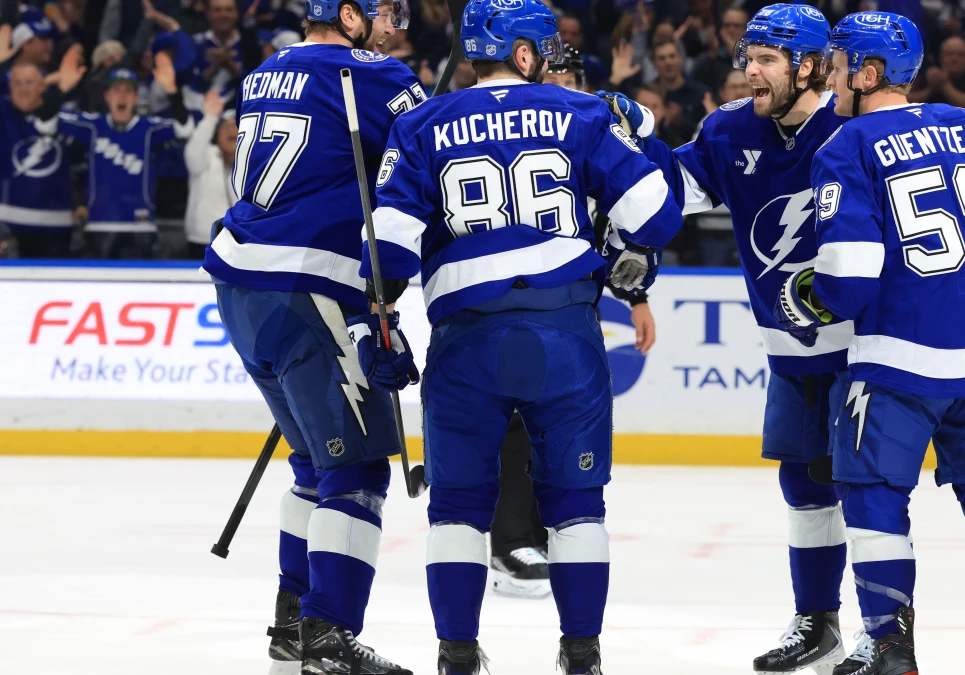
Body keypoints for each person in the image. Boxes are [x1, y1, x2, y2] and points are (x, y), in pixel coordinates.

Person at [361, 0, 682, 671]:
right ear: (529, 54)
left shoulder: (420, 123)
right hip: (564, 337)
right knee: (576, 508)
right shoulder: (584, 114)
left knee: (455, 512)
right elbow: (655, 219)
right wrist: (634, 140)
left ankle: (456, 654)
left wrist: (382, 322)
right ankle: (581, 653)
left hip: (464, 342)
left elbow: (388, 254)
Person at [778, 12, 965, 674]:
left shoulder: (843, 149)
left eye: (838, 64)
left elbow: (848, 276)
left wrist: (809, 300)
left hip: (901, 361)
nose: (827, 76)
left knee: (872, 492)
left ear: (868, 73)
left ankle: (890, 641)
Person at [603, 5, 859, 673]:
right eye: (749, 56)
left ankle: (887, 634)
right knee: (805, 486)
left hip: (870, 350)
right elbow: (666, 196)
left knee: (869, 492)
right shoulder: (728, 131)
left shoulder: (855, 126)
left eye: (768, 59)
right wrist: (633, 142)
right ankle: (819, 620)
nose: (751, 69)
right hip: (792, 352)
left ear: (808, 66)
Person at [201, 0, 421, 672]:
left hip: (240, 284)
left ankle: (290, 623)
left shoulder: (266, 70)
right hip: (307, 287)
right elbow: (437, 151)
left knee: (314, 463)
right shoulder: (375, 77)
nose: (395, 24)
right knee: (354, 472)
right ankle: (328, 636)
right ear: (347, 13)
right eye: (384, 10)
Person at [489, 45, 659, 601]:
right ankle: (509, 539)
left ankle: (537, 533)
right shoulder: (520, 126)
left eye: (572, 75)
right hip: (509, 297)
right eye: (555, 72)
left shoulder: (590, 130)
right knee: (516, 421)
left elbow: (620, 222)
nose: (564, 82)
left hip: (571, 303)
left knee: (558, 423)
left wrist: (635, 295)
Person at [50, 57, 193, 259]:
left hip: (141, 227)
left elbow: (184, 130)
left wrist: (172, 92)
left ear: (136, 98)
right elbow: (45, 124)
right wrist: (61, 89)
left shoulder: (149, 129)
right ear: (107, 96)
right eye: (116, 90)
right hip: (98, 225)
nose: (122, 96)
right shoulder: (92, 126)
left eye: (128, 91)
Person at [0, 51, 87, 258]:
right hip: (8, 225)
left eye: (29, 82)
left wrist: (83, 202)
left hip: (55, 225)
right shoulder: (3, 113)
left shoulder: (67, 119)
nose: (22, 89)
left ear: (43, 85)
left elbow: (83, 166)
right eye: (16, 83)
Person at [183, 89, 236, 259]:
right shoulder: (206, 155)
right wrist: (210, 118)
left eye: (237, 126)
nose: (231, 131)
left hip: (240, 244)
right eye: (225, 126)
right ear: (217, 133)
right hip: (202, 241)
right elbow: (192, 154)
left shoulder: (254, 163)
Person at [907, 35, 965, 125]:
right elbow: (903, 103)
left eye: (960, 54)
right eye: (949, 54)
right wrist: (930, 90)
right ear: (940, 57)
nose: (954, 59)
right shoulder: (926, 77)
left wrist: (945, 86)